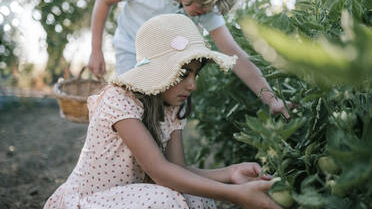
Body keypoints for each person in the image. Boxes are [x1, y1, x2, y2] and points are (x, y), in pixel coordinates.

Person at [45, 14, 282, 209]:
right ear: (157, 71)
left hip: (128, 199)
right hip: (89, 201)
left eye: (195, 74)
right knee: (165, 201)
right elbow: (161, 172)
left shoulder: (170, 109)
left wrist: (231, 174)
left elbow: (178, 170)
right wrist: (236, 194)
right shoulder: (119, 99)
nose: (193, 85)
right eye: (183, 73)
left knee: (197, 196)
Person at [88, 0, 293, 120]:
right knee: (132, 107)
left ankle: (161, 166)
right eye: (203, 1)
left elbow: (235, 55)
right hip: (131, 52)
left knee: (167, 115)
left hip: (169, 61)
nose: (205, 10)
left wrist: (272, 100)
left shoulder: (204, 7)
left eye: (211, 5)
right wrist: (96, 50)